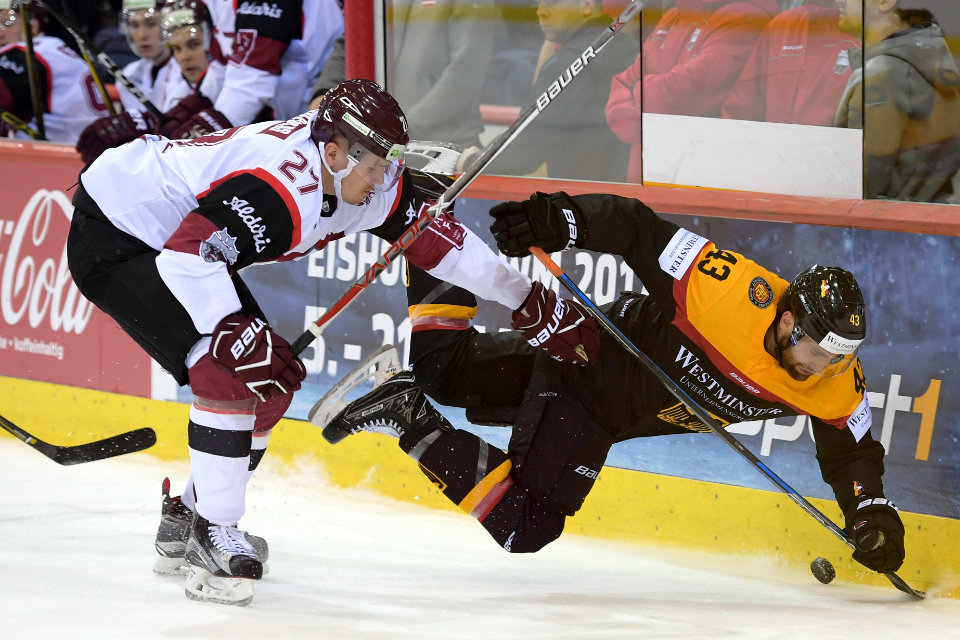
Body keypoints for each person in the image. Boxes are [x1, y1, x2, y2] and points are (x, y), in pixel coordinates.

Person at [66, 79, 598, 605]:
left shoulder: (367, 176)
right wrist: (230, 327)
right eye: (374, 167)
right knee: (226, 368)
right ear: (335, 152)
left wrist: (527, 298)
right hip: (119, 231)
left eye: (389, 165)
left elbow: (445, 247)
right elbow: (189, 255)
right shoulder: (282, 188)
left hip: (184, 239)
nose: (384, 179)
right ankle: (215, 531)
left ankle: (185, 517)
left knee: (269, 384)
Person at [317, 190, 906, 578]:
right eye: (820, 347)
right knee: (526, 525)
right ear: (785, 320)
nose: (826, 365)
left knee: (444, 370)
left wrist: (869, 514)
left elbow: (854, 453)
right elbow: (636, 230)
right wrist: (562, 219)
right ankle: (407, 413)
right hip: (589, 375)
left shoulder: (835, 383)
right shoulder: (725, 290)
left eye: (842, 354)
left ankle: (425, 216)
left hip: (598, 390)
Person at [456, 0, 634, 182]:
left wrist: (470, 161)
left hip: (583, 199)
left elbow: (524, 150)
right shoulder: (630, 49)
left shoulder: (569, 65)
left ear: (586, 5)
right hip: (620, 196)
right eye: (538, 3)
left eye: (552, 2)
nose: (541, 12)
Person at [605, 0, 779, 182]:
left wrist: (637, 93)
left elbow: (687, 93)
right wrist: (641, 111)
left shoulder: (746, 16)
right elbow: (621, 85)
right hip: (646, 179)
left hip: (699, 183)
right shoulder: (673, 16)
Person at [159, 0, 344, 139]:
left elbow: (252, 80)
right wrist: (175, 119)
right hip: (284, 117)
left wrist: (196, 136)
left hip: (318, 110)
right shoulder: (211, 4)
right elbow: (224, 66)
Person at [834, 1, 960, 203]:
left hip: (882, 228)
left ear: (885, 2)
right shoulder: (930, 63)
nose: (838, 0)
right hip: (928, 224)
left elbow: (862, 186)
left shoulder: (880, 76)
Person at [75, 0, 225, 164]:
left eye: (151, 24)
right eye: (134, 25)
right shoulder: (131, 73)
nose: (142, 35)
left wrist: (148, 124)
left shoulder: (202, 73)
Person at [721, 0, 862, 125]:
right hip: (775, 151)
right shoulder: (782, 26)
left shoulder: (867, 31)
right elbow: (741, 109)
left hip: (840, 151)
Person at [388, 0, 494, 150]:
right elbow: (354, 44)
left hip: (445, 146)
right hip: (394, 143)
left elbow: (467, 72)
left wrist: (405, 128)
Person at [0, 0, 111, 142]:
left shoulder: (23, 52)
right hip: (97, 149)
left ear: (33, 25)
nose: (0, 32)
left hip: (64, 151)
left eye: (7, 23)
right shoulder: (55, 47)